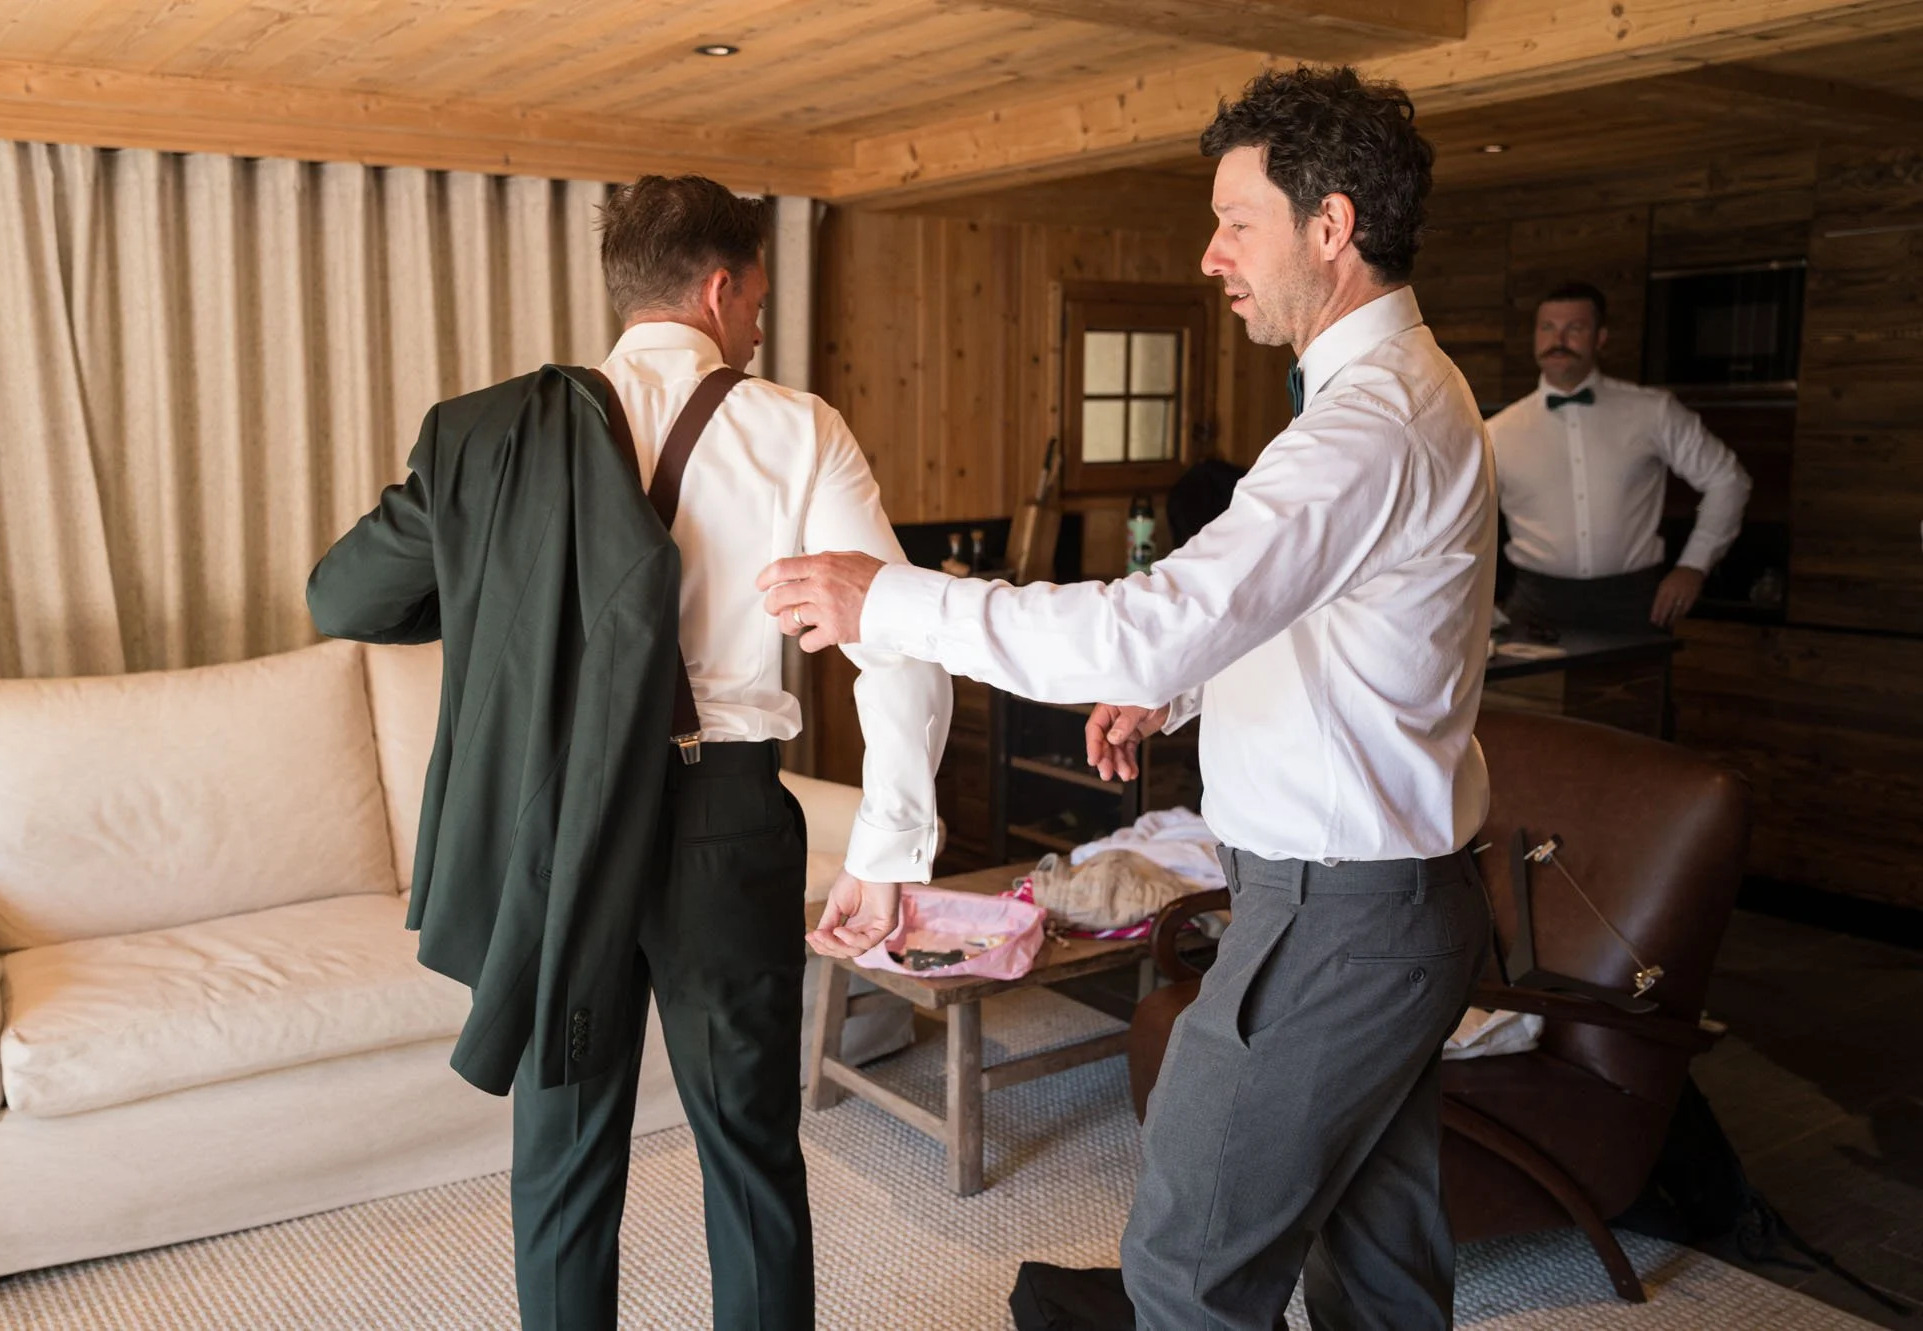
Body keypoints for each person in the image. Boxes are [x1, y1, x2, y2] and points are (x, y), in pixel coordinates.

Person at [761, 65, 1496, 1331]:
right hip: (1389, 910)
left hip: (1332, 921)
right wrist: (1186, 691)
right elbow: (1321, 611)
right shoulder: (1403, 393)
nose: (1210, 254)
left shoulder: (1363, 424)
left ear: (1330, 227)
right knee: (1377, 1277)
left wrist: (887, 598)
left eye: (1234, 220)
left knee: (1186, 1271)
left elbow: (1139, 624)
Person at [310, 174, 949, 1330]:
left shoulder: (494, 440)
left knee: (561, 1156)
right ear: (718, 288)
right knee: (749, 1152)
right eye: (755, 297)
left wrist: (489, 568)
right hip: (728, 821)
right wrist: (889, 842)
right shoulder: (798, 428)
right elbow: (897, 643)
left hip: (560, 827)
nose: (757, 322)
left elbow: (343, 593)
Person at [1490, 281, 1751, 633]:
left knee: (1632, 689)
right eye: (1548, 328)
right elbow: (1465, 520)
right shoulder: (1496, 432)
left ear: (1600, 338)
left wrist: (1694, 565)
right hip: (1533, 606)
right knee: (1530, 691)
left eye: (1575, 328)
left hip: (1634, 602)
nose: (1559, 340)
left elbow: (1728, 480)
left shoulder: (1653, 412)